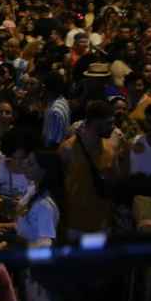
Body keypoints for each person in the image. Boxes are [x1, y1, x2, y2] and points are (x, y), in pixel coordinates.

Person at [59, 100, 119, 237]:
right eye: (109, 123)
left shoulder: (112, 148)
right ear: (96, 123)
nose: (113, 127)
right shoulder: (67, 149)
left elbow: (117, 182)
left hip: (103, 224)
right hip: (74, 225)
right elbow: (58, 185)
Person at [42, 72, 71, 149]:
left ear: (45, 88)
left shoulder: (55, 111)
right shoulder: (63, 100)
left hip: (53, 154)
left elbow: (54, 142)